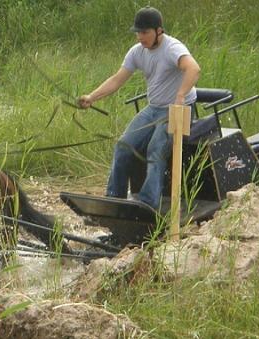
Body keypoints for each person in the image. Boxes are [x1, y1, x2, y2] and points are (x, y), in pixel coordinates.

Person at [78, 6, 200, 210]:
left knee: (156, 149)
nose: (140, 37)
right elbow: (117, 79)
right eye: (138, 32)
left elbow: (193, 68)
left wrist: (179, 96)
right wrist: (92, 97)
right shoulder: (137, 52)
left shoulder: (172, 48)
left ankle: (147, 203)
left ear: (158, 31)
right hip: (154, 108)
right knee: (123, 145)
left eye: (144, 32)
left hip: (179, 110)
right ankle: (114, 198)